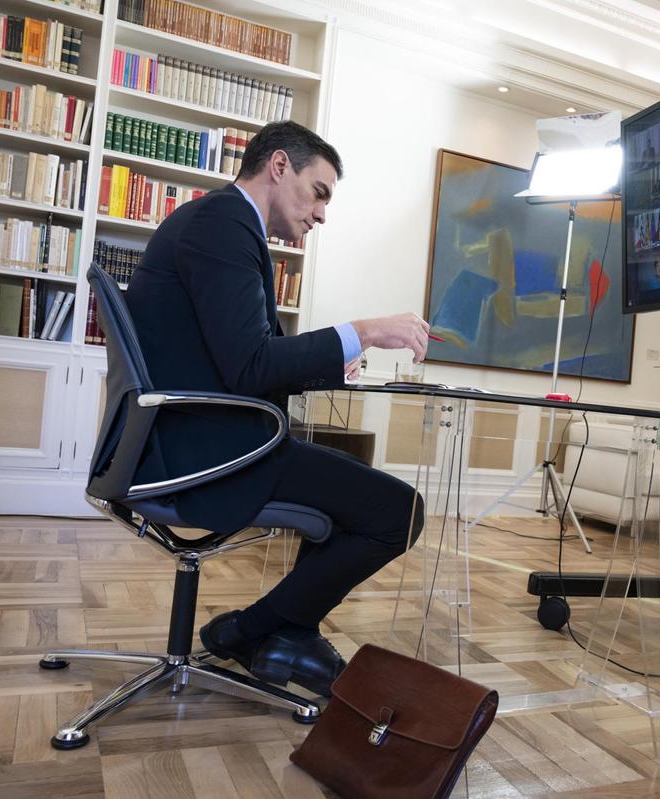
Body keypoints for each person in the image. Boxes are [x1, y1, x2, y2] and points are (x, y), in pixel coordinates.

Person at [126, 121, 428, 697]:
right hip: (206, 452)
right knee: (400, 511)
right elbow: (251, 365)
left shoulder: (220, 223)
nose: (321, 215)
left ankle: (286, 630)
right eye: (320, 193)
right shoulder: (223, 224)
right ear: (280, 166)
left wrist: (329, 362)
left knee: (354, 495)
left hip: (195, 437)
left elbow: (244, 357)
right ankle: (252, 630)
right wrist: (364, 331)